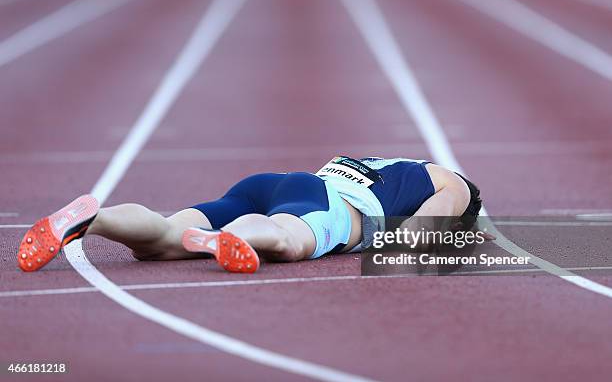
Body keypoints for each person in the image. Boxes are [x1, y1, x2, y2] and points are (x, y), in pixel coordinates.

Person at [18, 156, 484, 273]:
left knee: (164, 238)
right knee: (288, 241)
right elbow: (422, 233)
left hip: (276, 183)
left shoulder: (396, 165)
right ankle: (232, 238)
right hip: (324, 207)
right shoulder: (455, 185)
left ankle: (87, 220)